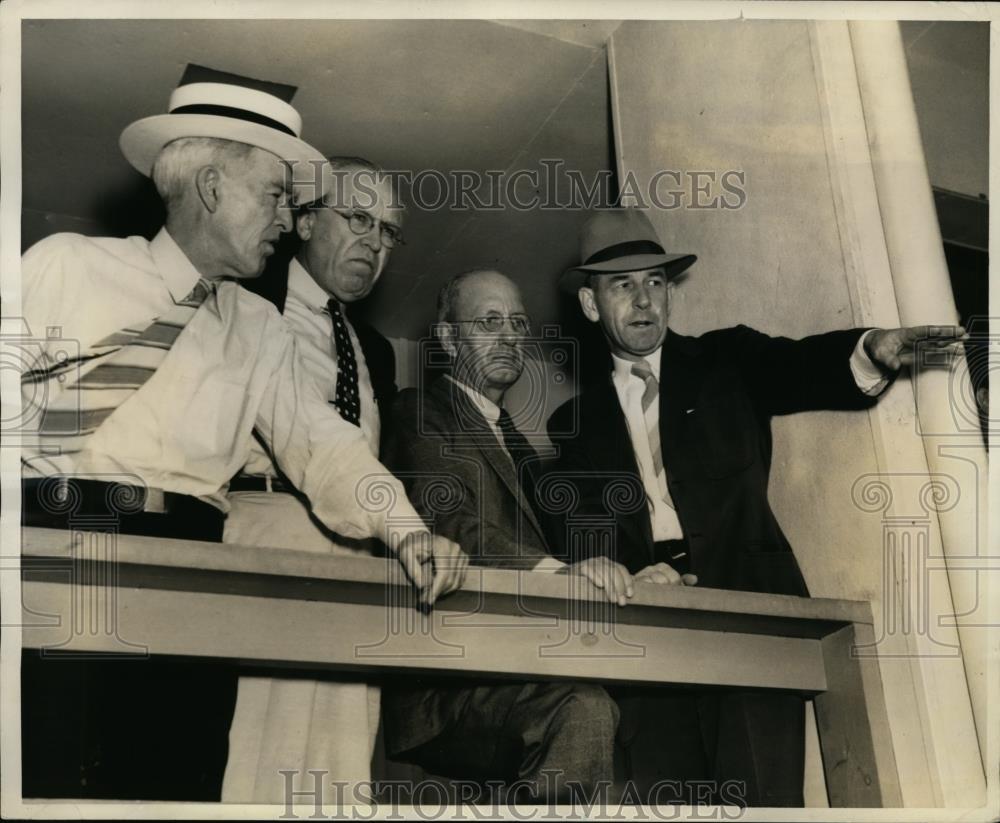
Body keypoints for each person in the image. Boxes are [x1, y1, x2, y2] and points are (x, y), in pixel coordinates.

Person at [19, 66, 464, 801]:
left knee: (177, 784)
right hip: (64, 541)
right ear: (212, 187)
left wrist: (407, 531)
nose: (289, 221)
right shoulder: (68, 266)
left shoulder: (257, 327)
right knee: (53, 776)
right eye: (276, 196)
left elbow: (321, 441)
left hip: (196, 568)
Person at [546, 207, 967, 806]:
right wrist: (631, 575)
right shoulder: (572, 425)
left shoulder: (727, 361)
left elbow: (796, 366)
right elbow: (579, 530)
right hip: (645, 627)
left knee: (764, 803)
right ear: (591, 305)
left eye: (655, 283)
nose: (644, 300)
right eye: (622, 285)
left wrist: (872, 347)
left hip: (752, 616)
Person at [379, 269, 626, 803]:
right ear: (447, 339)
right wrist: (558, 572)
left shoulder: (525, 449)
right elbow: (450, 523)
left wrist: (632, 572)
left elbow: (565, 547)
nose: (511, 336)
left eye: (517, 322)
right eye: (489, 322)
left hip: (522, 665)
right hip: (450, 686)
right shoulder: (416, 412)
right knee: (585, 708)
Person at [221, 157, 406, 802]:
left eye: (387, 231)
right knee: (258, 747)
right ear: (303, 220)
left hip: (361, 552)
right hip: (269, 533)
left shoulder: (375, 349)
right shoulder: (241, 302)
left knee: (342, 759)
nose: (373, 244)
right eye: (358, 218)